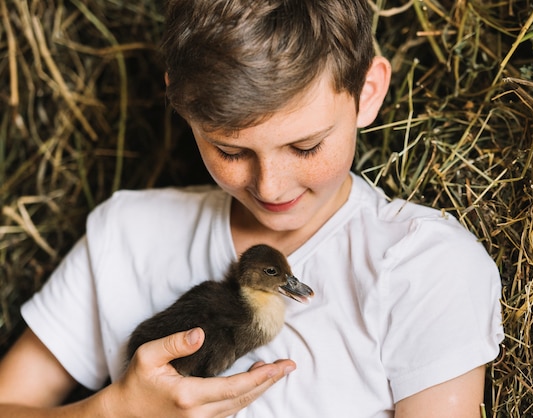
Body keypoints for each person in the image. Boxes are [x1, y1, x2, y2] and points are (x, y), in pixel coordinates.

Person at [0, 0, 503, 416]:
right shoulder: (125, 236)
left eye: (306, 146)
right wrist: (113, 411)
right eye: (231, 151)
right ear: (181, 102)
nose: (271, 186)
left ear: (367, 93)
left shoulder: (424, 270)